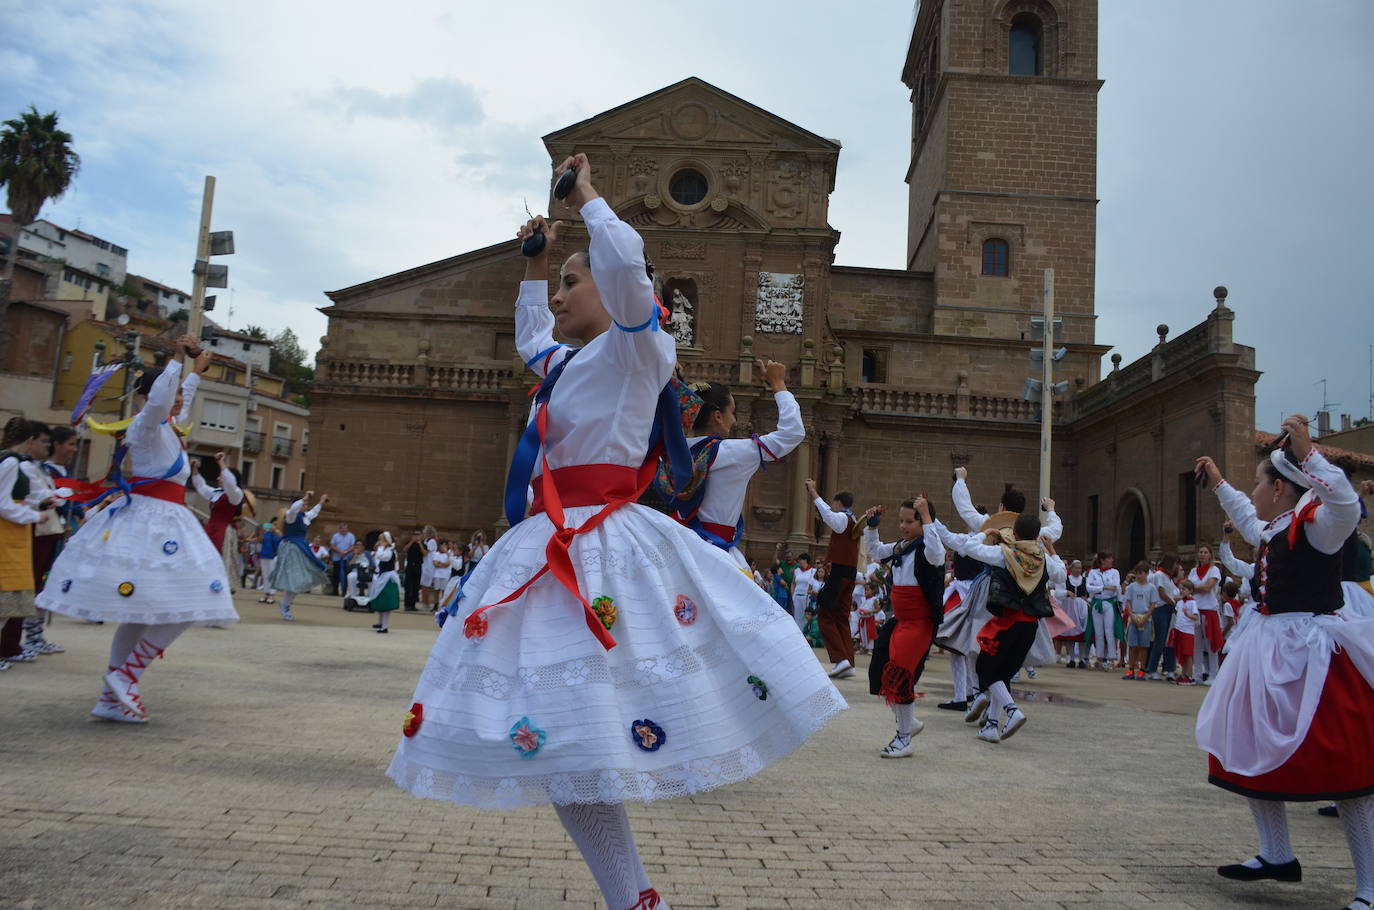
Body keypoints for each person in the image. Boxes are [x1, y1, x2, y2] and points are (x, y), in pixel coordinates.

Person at [388, 154, 844, 910]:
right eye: (564, 284)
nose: (563, 294)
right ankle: (637, 899)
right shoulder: (566, 364)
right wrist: (535, 267)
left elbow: (630, 267)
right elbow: (532, 334)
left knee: (581, 739)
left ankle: (636, 897)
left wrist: (590, 198)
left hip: (600, 545)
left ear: (615, 285)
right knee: (570, 742)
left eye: (575, 280)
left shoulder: (641, 348)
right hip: (550, 542)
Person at [1194, 419, 1374, 910]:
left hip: (1315, 655)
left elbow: (1345, 503)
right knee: (1251, 744)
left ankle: (1370, 889)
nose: (1252, 490)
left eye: (1256, 482)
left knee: (1349, 772)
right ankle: (1276, 854)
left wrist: (1309, 455)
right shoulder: (1275, 527)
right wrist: (1219, 482)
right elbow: (1249, 523)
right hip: (1269, 650)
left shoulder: (1320, 525)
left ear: (1278, 488)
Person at [36, 337, 238, 719]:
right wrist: (177, 360)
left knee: (142, 612)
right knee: (190, 600)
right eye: (173, 393)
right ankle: (127, 675)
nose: (179, 400)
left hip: (163, 520)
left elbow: (177, 402)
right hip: (154, 522)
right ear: (151, 396)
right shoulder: (146, 425)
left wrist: (194, 374)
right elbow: (162, 401)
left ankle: (112, 696)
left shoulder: (169, 430)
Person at [934, 504, 1066, 744]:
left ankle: (1012, 711)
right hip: (1030, 627)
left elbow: (972, 548)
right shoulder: (1043, 558)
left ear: (1013, 533)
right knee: (1002, 674)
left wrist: (988, 533)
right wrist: (1052, 548)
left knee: (986, 668)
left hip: (1006, 623)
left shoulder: (1004, 555)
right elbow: (1062, 575)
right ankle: (992, 726)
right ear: (1036, 535)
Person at [666, 359, 804, 571]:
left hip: (677, 549)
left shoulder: (671, 451)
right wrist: (778, 384)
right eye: (732, 412)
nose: (734, 420)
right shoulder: (732, 453)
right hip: (716, 554)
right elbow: (792, 433)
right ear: (718, 416)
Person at [861, 496, 945, 758]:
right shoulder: (900, 548)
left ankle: (904, 738)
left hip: (920, 623)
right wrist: (872, 526)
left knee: (899, 675)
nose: (903, 526)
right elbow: (874, 550)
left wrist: (928, 517)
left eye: (910, 521)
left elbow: (936, 551)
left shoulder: (929, 549)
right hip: (899, 621)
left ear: (923, 523)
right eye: (901, 521)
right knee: (880, 671)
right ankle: (910, 723)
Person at [1, 418, 59, 670]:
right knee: (6, 598)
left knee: (8, 599)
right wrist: (35, 515)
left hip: (14, 532)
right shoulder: (12, 461)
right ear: (30, 439)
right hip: (9, 533)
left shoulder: (8, 460)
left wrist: (37, 504)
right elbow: (3, 504)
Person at [805, 479, 862, 678]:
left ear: (839, 503)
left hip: (839, 574)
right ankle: (849, 664)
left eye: (835, 504)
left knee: (825, 614)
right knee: (841, 618)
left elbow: (827, 513)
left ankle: (840, 660)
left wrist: (813, 491)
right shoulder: (853, 520)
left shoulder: (843, 519)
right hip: (849, 573)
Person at [190, 451, 249, 594]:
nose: (218, 478)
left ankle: (221, 587)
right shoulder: (216, 493)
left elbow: (230, 483)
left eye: (221, 476)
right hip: (211, 528)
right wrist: (194, 469)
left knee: (221, 558)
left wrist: (221, 462)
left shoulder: (236, 494)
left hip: (223, 531)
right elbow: (201, 486)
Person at [268, 492, 330, 621]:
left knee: (301, 580)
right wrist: (305, 498)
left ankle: (285, 604)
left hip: (301, 549)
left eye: (306, 504)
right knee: (295, 579)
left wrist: (322, 501)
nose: (305, 506)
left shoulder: (304, 517)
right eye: (304, 504)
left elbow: (314, 512)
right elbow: (295, 508)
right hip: (291, 548)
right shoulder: (291, 516)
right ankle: (285, 605)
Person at [1190, 543, 1224, 684]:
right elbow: (1187, 587)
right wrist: (1195, 589)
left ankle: (1213, 673)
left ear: (1210, 555)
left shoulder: (1214, 570)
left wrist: (1193, 589)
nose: (1203, 554)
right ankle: (1198, 673)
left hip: (1209, 609)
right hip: (1196, 609)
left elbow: (1208, 587)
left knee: (1210, 643)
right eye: (1201, 552)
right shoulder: (1193, 571)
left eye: (1205, 552)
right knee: (1196, 644)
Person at [1120, 561, 1160, 680]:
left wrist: (1146, 617)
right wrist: (1131, 615)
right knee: (1132, 645)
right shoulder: (1132, 587)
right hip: (1134, 617)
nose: (1138, 576)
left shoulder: (1151, 587)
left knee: (1143, 646)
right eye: (1137, 573)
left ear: (1147, 574)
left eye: (1141, 573)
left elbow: (1153, 604)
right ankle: (1131, 669)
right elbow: (1128, 601)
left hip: (1145, 618)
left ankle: (1142, 669)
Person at [1144, 554, 1180, 680]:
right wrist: (1173, 602)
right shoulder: (1159, 575)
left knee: (1169, 640)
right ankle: (1152, 668)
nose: (1176, 566)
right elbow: (1161, 592)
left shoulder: (1168, 577)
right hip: (1161, 609)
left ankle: (1170, 668)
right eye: (1175, 563)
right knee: (1160, 640)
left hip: (1168, 608)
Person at [1085, 552, 1121, 669]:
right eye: (1109, 558)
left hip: (1108, 602)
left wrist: (1098, 589)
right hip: (1097, 603)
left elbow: (1115, 587)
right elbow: (1088, 587)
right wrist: (1103, 588)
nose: (1111, 560)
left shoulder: (1114, 572)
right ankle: (1099, 657)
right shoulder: (1093, 572)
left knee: (1109, 630)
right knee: (1098, 631)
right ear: (1102, 560)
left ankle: (1111, 657)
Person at [368, 531, 401, 633]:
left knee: (386, 604)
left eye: (382, 540)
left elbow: (382, 557)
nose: (380, 542)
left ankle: (384, 626)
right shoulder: (386, 550)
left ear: (387, 541)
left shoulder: (390, 552)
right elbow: (378, 560)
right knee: (380, 601)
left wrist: (379, 548)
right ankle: (381, 623)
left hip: (388, 579)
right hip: (383, 577)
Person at [1170, 579, 1199, 685]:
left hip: (1188, 631)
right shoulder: (1180, 602)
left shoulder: (1192, 602)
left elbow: (1195, 617)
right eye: (1181, 589)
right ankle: (1183, 674)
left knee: (1188, 654)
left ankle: (1189, 676)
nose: (1182, 591)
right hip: (1179, 629)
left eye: (1184, 589)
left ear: (1190, 590)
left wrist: (1188, 615)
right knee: (1181, 653)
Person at [790, 553, 818, 631]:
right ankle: (798, 632)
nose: (799, 561)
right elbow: (793, 583)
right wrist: (793, 594)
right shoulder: (797, 570)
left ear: (805, 560)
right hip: (796, 596)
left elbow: (813, 583)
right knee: (797, 616)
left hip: (806, 596)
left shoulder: (813, 571)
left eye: (800, 559)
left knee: (807, 616)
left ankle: (806, 633)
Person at [256, 520, 281, 604]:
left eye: (275, 525)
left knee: (271, 575)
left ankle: (272, 594)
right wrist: (260, 531)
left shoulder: (277, 535)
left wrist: (276, 532)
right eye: (272, 524)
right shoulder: (265, 534)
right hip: (264, 556)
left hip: (272, 557)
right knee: (265, 575)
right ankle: (266, 593)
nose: (273, 526)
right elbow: (259, 541)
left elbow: (279, 543)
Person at [329, 522, 355, 597]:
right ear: (340, 529)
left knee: (346, 575)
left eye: (345, 529)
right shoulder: (335, 536)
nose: (344, 530)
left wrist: (346, 552)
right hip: (337, 558)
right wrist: (340, 551)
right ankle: (335, 591)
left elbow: (353, 546)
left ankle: (344, 591)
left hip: (347, 559)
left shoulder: (351, 536)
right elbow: (332, 545)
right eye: (342, 529)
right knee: (336, 575)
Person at [402, 530, 424, 611]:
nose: (416, 537)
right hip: (410, 565)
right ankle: (407, 605)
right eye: (415, 535)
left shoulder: (423, 544)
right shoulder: (409, 543)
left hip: (418, 566)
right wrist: (412, 541)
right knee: (408, 586)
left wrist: (420, 543)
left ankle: (413, 604)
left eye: (418, 535)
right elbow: (404, 550)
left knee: (416, 586)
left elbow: (425, 553)